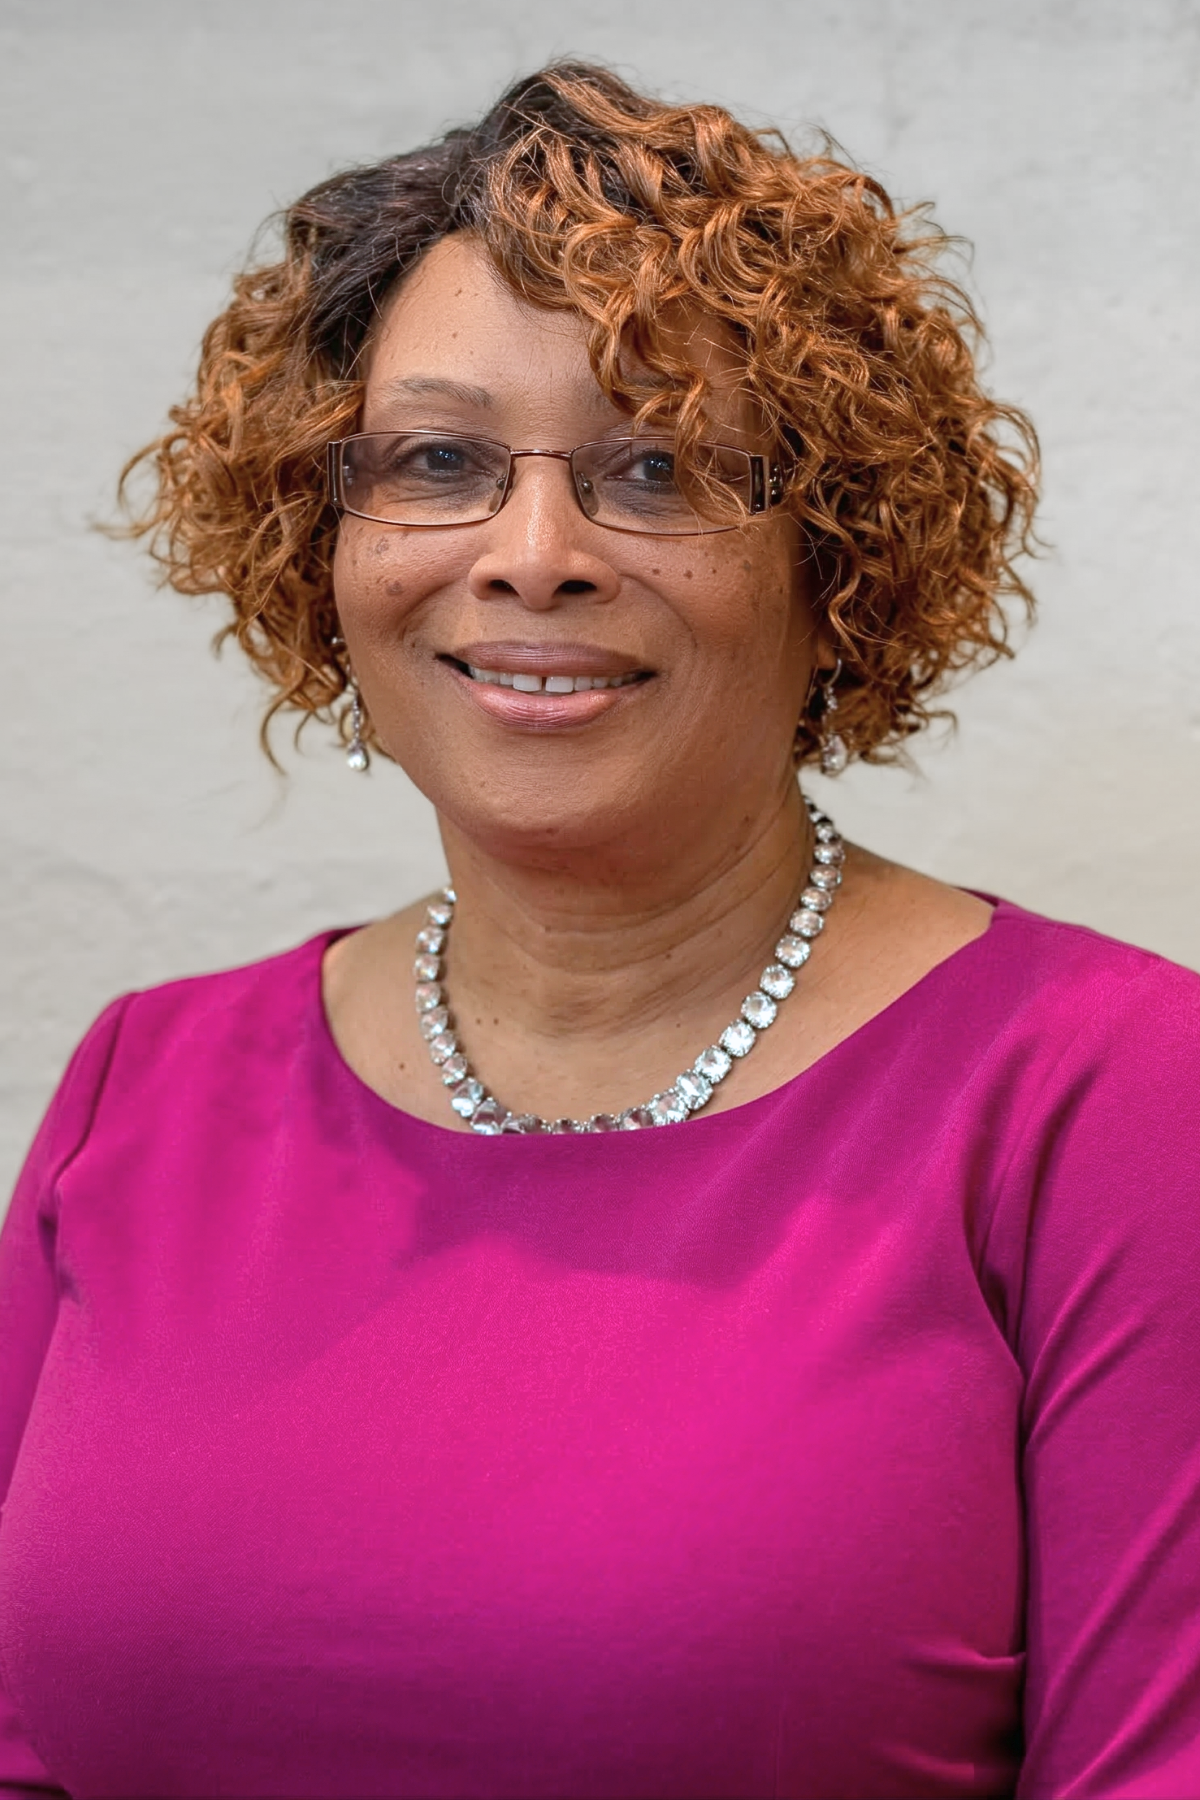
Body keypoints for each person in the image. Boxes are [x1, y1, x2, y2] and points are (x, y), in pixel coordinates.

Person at [1, 61, 1198, 1800]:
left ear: (835, 554)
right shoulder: (145, 1084)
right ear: (324, 542)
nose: (533, 552)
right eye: (438, 460)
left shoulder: (1114, 1095)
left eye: (657, 465)